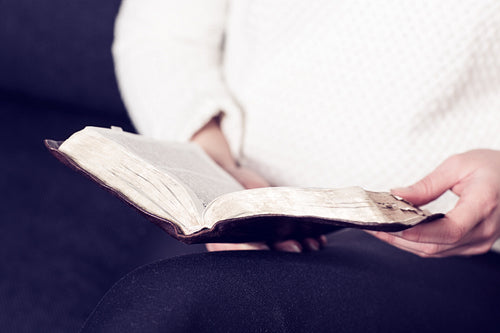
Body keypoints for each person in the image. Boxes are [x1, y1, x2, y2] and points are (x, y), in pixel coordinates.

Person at [81, 1, 500, 331]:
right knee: (160, 308)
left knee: (184, 305)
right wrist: (211, 160)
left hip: (449, 240)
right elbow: (162, 30)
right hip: (237, 194)